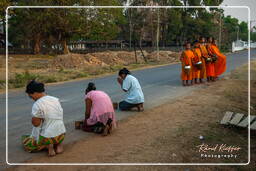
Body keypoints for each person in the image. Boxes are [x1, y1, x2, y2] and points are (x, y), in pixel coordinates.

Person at [22, 80, 66, 157]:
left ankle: (49, 147)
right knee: (54, 125)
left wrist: (34, 119)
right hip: (62, 133)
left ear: (34, 93)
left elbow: (36, 124)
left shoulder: (37, 104)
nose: (31, 98)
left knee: (26, 142)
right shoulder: (55, 99)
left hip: (47, 137)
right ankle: (59, 145)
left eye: (30, 96)